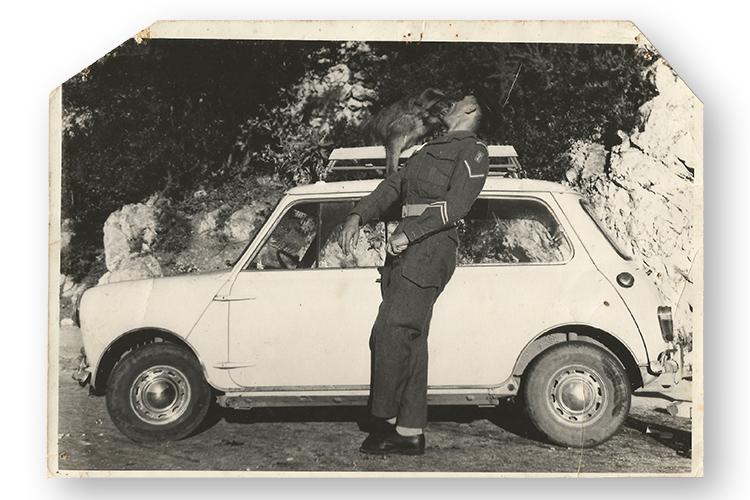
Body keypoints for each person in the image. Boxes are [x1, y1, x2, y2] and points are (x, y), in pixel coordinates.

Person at [338, 94, 491, 455]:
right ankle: (409, 431)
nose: (449, 104)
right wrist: (358, 214)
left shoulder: (473, 150)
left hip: (430, 246)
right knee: (410, 338)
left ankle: (384, 422)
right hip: (406, 248)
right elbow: (393, 187)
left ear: (470, 110)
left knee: (389, 332)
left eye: (458, 100)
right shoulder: (428, 148)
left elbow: (456, 205)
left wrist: (411, 232)